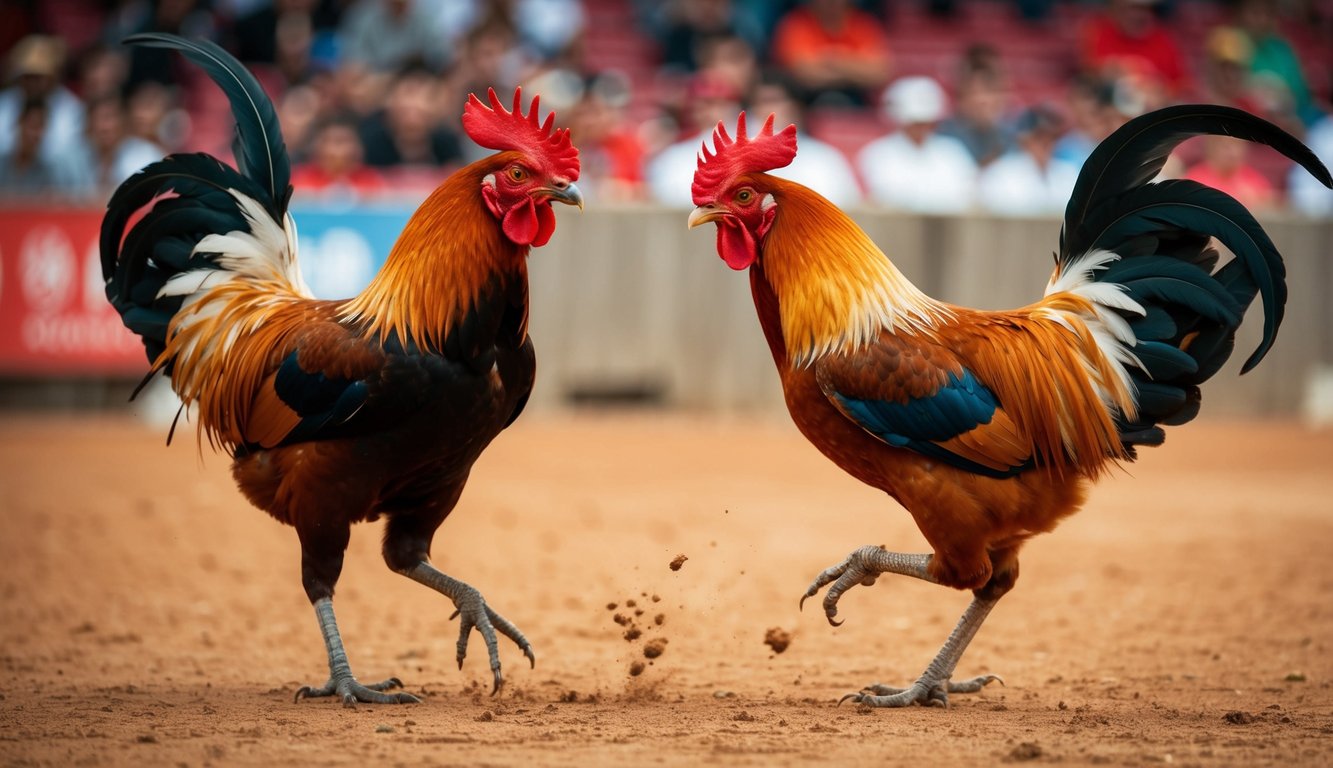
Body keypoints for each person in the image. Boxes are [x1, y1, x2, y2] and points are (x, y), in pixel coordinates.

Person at [856, 76, 977, 214]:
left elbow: (967, 197)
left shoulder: (953, 151)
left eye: (926, 121)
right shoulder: (877, 153)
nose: (921, 127)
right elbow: (886, 199)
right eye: (915, 121)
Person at [749, 75, 862, 206]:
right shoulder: (737, 153)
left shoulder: (823, 156)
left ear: (795, 106)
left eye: (773, 101)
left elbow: (848, 206)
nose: (765, 110)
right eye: (758, 103)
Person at [769, 0, 892, 107]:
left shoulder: (863, 24)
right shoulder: (796, 23)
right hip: (807, 101)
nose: (831, 2)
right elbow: (805, 74)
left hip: (857, 100)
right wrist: (854, 66)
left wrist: (833, 58)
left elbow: (879, 74)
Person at [976, 105, 1080, 216]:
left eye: (1052, 137)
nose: (1046, 142)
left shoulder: (1068, 172)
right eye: (1039, 136)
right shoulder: (1000, 173)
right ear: (1023, 138)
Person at [1081, 0, 1190, 101]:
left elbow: (1180, 84)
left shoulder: (1163, 39)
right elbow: (1090, 74)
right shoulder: (1101, 33)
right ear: (1117, 9)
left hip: (1154, 108)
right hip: (1110, 105)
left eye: (1146, 9)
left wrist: (1159, 88)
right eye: (1133, 8)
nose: (1139, 15)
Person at [0, 35, 85, 165]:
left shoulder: (72, 110)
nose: (33, 83)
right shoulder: (4, 103)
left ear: (54, 77)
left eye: (39, 77)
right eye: (28, 76)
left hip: (57, 181)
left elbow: (69, 157)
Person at [936, 44, 1015, 168]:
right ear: (962, 97)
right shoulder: (943, 136)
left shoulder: (1012, 137)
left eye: (991, 91)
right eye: (976, 93)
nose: (983, 101)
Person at [291, 113, 385, 200]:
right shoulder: (298, 182)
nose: (336, 150)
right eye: (330, 141)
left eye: (343, 141)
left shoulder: (374, 183)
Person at [1184, 134, 1276, 212]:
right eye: (1225, 146)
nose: (1233, 152)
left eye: (1237, 145)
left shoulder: (1253, 179)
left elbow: (1271, 209)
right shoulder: (1194, 179)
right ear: (1212, 147)